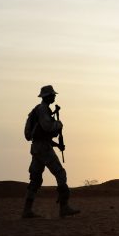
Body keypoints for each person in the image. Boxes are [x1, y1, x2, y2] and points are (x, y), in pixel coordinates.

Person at [22, 85, 80, 218]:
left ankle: (27, 209)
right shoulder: (43, 110)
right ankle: (64, 207)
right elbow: (47, 127)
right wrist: (59, 124)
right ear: (48, 96)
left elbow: (41, 135)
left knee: (35, 179)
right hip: (42, 148)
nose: (54, 97)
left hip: (37, 148)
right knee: (60, 173)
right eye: (53, 95)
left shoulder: (38, 110)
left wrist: (56, 145)